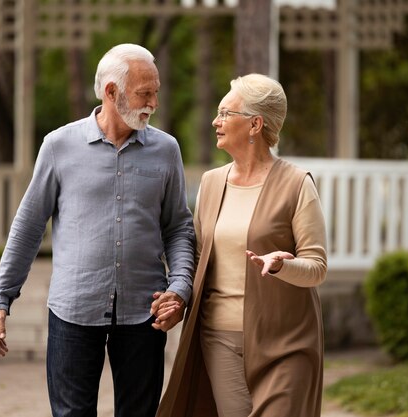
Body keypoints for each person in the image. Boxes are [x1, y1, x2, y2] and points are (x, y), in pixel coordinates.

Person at [0, 43, 195, 417]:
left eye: (155, 92)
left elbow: (179, 227)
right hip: (73, 311)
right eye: (144, 93)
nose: (154, 103)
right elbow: (29, 226)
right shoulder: (58, 146)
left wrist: (179, 289)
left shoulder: (166, 150)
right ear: (111, 92)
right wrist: (2, 297)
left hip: (144, 312)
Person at [156, 73, 328, 417]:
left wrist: (282, 265)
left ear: (255, 124)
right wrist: (178, 296)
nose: (215, 121)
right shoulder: (211, 183)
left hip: (286, 343)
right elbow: (199, 258)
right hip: (218, 338)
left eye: (225, 113)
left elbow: (317, 267)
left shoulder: (297, 185)